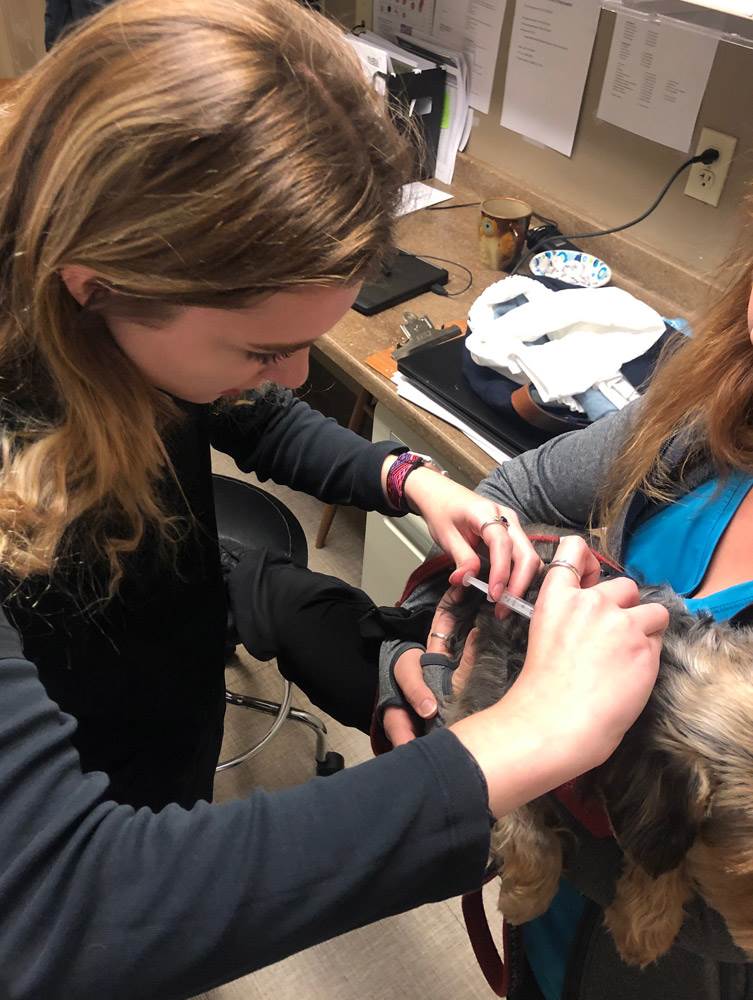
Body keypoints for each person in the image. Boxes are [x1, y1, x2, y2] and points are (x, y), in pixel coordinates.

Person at [0, 2, 668, 997]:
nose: (296, 370)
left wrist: (405, 480)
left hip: (156, 735)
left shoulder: (101, 315)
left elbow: (226, 407)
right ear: (97, 286)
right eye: (264, 346)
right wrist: (513, 745)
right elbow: (74, 904)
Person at [382, 241, 753, 998]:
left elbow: (727, 923)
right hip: (551, 919)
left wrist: (485, 782)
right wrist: (434, 648)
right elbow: (511, 499)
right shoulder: (703, 418)